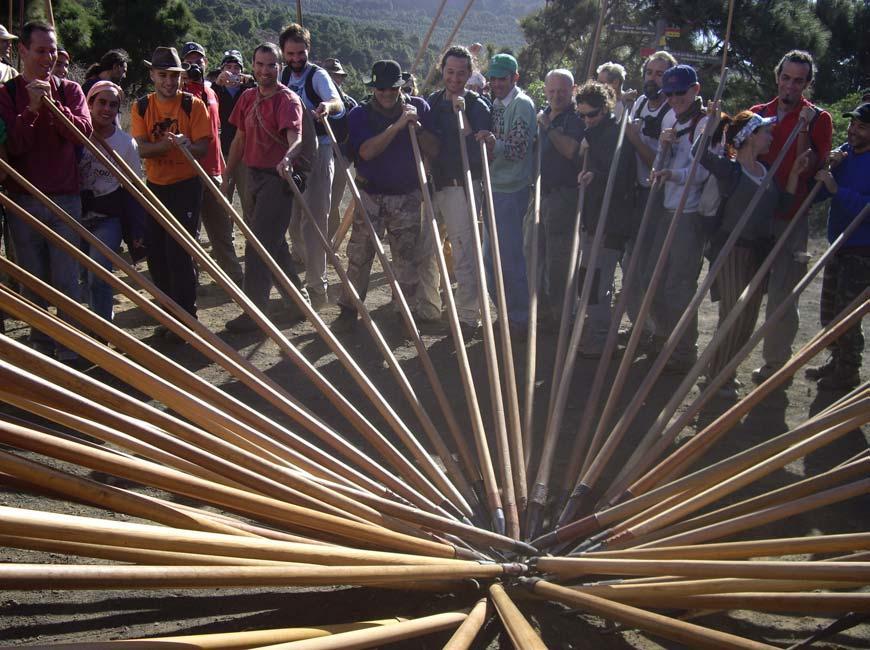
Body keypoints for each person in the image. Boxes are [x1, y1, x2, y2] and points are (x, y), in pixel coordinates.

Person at [0, 20, 92, 364]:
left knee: (68, 278)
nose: (48, 58)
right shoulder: (6, 95)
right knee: (32, 281)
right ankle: (41, 348)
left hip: (65, 198)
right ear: (22, 51)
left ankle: (69, 347)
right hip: (23, 201)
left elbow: (82, 134)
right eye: (40, 51)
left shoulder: (70, 90)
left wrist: (56, 107)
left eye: (52, 51)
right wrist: (33, 110)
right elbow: (14, 146)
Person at [699, 108, 808, 399]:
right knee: (733, 313)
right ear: (750, 138)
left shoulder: (767, 172)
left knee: (748, 318)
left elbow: (783, 206)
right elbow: (701, 155)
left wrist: (795, 173)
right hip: (732, 250)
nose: (771, 137)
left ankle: (726, 372)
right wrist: (710, 126)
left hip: (758, 252)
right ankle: (715, 376)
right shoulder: (732, 170)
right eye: (766, 132)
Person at [331, 59, 436, 333]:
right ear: (373, 88)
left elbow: (434, 150)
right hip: (370, 195)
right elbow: (366, 152)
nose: (387, 93)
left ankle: (405, 311)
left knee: (405, 256)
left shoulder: (419, 108)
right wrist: (399, 125)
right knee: (359, 255)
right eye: (381, 88)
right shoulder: (359, 115)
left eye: (392, 88)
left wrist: (417, 128)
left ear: (400, 86)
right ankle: (349, 309)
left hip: (407, 196)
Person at [748, 49, 832, 383]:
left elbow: (812, 166)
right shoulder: (758, 113)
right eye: (786, 78)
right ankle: (726, 362)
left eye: (799, 81)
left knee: (783, 295)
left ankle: (774, 365)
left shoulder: (817, 119)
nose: (790, 86)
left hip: (791, 217)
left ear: (808, 84)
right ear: (777, 77)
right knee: (746, 290)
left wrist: (801, 132)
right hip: (755, 216)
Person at [221, 43, 307, 333]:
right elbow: (238, 140)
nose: (264, 70)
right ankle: (299, 302)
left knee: (257, 246)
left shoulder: (288, 100)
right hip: (252, 176)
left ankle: (254, 312)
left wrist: (288, 157)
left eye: (271, 65)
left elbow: (295, 138)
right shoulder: (247, 98)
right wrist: (227, 174)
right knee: (274, 244)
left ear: (279, 67)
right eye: (259, 64)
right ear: (253, 66)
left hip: (277, 180)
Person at [130, 46, 211, 337]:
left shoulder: (193, 105)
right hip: (155, 187)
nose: (169, 81)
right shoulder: (141, 106)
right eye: (163, 75)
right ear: (152, 75)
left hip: (186, 186)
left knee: (180, 253)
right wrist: (165, 146)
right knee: (156, 254)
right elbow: (141, 148)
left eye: (174, 75)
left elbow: (205, 145)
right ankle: (168, 314)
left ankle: (186, 319)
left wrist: (189, 146)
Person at [423, 45, 491, 337]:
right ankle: (427, 306)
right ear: (443, 70)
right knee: (424, 248)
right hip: (433, 183)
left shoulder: (477, 105)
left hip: (461, 186)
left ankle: (467, 315)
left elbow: (478, 148)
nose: (454, 78)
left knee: (464, 251)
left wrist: (462, 115)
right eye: (450, 71)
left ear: (469, 73)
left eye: (461, 73)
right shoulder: (432, 102)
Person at [279, 22, 346, 309]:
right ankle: (300, 278)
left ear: (309, 50)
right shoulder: (281, 74)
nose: (296, 59)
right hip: (290, 152)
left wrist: (325, 108)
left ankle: (318, 284)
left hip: (319, 151)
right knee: (293, 220)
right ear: (283, 52)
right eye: (291, 53)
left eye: (300, 53)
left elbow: (337, 102)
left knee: (315, 219)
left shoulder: (317, 75)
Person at [649, 64, 710, 372]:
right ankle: (663, 337)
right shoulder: (670, 116)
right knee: (655, 279)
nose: (674, 99)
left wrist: (672, 174)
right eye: (669, 93)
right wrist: (663, 149)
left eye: (680, 93)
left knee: (679, 285)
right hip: (667, 207)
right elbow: (660, 163)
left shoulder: (706, 124)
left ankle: (684, 351)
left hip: (690, 213)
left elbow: (702, 172)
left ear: (695, 90)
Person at [805, 102, 870, 391]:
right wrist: (825, 169)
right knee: (829, 310)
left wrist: (836, 189)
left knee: (848, 313)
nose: (854, 131)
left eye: (862, 127)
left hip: (862, 249)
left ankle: (848, 371)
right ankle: (836, 360)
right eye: (854, 125)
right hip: (838, 245)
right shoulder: (845, 153)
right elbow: (821, 193)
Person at [474, 53, 536, 339]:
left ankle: (519, 319)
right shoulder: (496, 103)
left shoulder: (521, 105)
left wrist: (493, 143)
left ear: (515, 77)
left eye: (502, 78)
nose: (497, 83)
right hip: (494, 186)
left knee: (509, 257)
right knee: (489, 258)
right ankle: (507, 314)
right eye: (494, 78)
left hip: (511, 190)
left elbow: (518, 150)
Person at [574, 80, 637, 356]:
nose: (587, 120)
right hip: (592, 219)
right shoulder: (595, 133)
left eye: (592, 114)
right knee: (586, 279)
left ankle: (601, 340)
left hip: (610, 222)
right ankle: (597, 333)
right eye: (582, 115)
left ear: (606, 107)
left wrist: (596, 176)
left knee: (597, 282)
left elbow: (622, 178)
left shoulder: (615, 134)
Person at [79, 81, 145, 322]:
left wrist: (138, 227)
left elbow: (135, 187)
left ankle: (103, 329)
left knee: (99, 274)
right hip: (75, 214)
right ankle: (94, 318)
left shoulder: (126, 144)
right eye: (102, 102)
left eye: (113, 105)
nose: (107, 109)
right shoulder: (75, 133)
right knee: (83, 276)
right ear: (90, 103)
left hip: (108, 218)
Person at [622, 50, 676, 345]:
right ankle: (639, 325)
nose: (653, 79)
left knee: (650, 266)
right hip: (635, 192)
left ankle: (658, 329)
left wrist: (632, 136)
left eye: (660, 74)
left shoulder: (672, 112)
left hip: (659, 195)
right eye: (649, 73)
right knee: (631, 262)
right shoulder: (641, 103)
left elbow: (660, 162)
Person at [180, 41, 243, 281]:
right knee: (190, 231)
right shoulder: (178, 91)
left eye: (200, 60)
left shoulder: (211, 90)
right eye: (190, 61)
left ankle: (234, 279)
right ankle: (190, 281)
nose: (196, 64)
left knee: (221, 230)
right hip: (188, 172)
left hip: (214, 170)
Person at [535, 68, 584, 324]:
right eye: (551, 91)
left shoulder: (575, 118)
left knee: (559, 260)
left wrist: (549, 126)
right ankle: (543, 311)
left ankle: (563, 316)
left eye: (562, 91)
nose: (556, 96)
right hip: (540, 195)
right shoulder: (543, 114)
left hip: (563, 197)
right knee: (535, 255)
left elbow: (570, 151)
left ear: (572, 90)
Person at [211, 49, 255, 222]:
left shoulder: (250, 90)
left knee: (249, 199)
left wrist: (250, 81)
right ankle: (225, 240)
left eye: (236, 68)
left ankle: (253, 241)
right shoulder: (215, 91)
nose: (232, 72)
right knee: (223, 199)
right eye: (228, 67)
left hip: (246, 153)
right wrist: (216, 84)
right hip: (222, 153)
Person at [321, 57, 358, 237]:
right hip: (315, 158)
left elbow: (355, 135)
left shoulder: (350, 104)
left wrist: (348, 158)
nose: (333, 80)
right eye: (328, 76)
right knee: (313, 202)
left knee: (332, 203)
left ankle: (327, 241)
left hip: (339, 160)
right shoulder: (311, 102)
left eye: (336, 76)